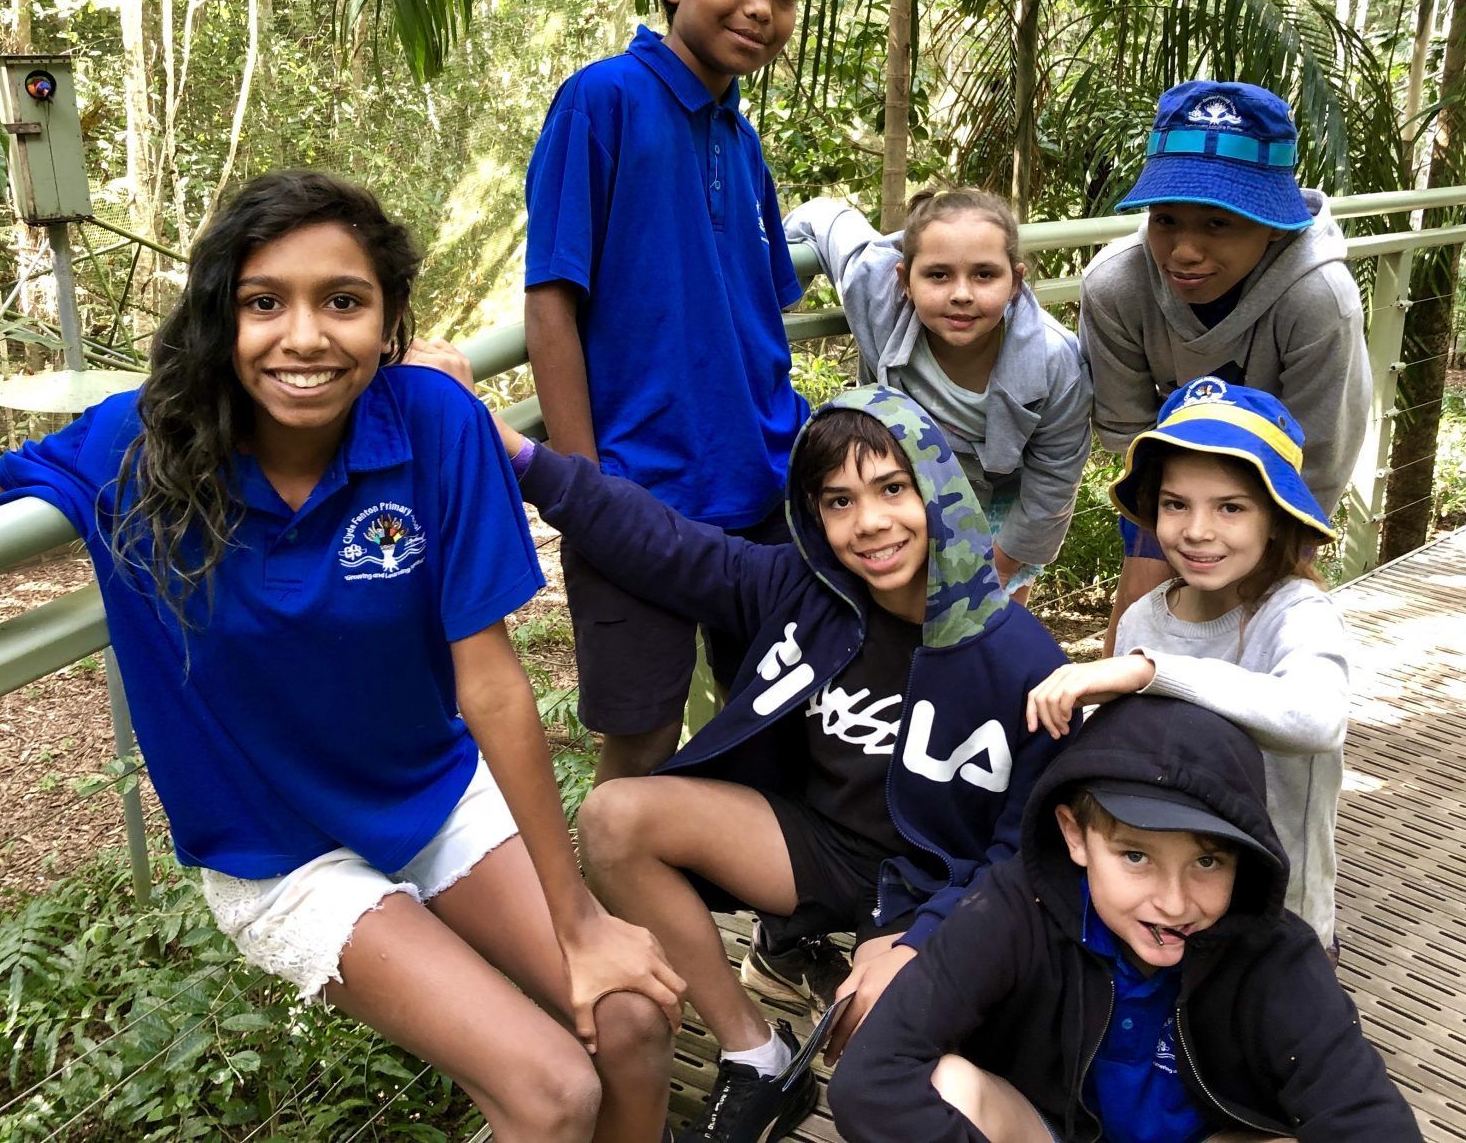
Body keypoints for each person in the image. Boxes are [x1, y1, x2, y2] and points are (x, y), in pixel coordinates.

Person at [0, 173, 682, 1143]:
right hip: (277, 850)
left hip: (424, 790)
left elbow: (493, 682)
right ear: (222, 317)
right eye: (264, 303)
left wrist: (581, 922)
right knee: (553, 1091)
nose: (304, 337)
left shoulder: (434, 424)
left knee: (633, 1020)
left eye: (343, 301)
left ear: (387, 321)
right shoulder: (143, 445)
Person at [411, 360, 1071, 1143]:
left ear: (937, 489)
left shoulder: (1019, 658)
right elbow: (659, 542)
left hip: (933, 889)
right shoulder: (804, 588)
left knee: (880, 1043)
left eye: (893, 488)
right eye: (839, 501)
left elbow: (1025, 851)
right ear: (812, 514)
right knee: (616, 818)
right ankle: (755, 1052)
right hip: (821, 849)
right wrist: (519, 454)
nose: (870, 522)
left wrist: (920, 939)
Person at [827, 694, 1422, 1143]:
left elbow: (1366, 1114)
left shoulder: (1274, 953)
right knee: (946, 1087)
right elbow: (870, 1079)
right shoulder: (1015, 908)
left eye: (1208, 861)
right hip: (1048, 1129)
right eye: (1136, 856)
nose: (1173, 901)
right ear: (1075, 836)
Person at [522, 0, 813, 783]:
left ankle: (778, 920)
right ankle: (620, 924)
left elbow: (760, 303)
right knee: (641, 733)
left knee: (779, 713)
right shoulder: (604, 102)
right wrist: (585, 487)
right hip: (638, 491)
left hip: (761, 485)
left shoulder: (740, 134)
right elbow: (551, 304)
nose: (762, 6)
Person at [1023, 377, 1350, 950]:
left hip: (1278, 911)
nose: (1198, 531)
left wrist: (1151, 674)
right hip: (1169, 902)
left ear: (1275, 516)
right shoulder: (1146, 619)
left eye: (1230, 507)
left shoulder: (1296, 613)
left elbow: (1317, 718)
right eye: (1176, 504)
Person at [1079, 80, 1371, 654]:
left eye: (1218, 223)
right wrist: (1180, 522)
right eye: (1165, 220)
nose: (1184, 252)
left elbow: (1321, 456)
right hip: (1169, 477)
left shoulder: (1317, 299)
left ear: (1273, 222)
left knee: (1264, 628)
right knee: (1138, 622)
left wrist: (1260, 535)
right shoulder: (1116, 285)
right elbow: (1131, 438)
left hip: (1284, 486)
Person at [784, 189, 1092, 605]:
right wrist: (778, 283)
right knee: (901, 614)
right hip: (902, 484)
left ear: (1015, 282)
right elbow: (825, 216)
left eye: (984, 275)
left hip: (1002, 492)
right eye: (938, 275)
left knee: (992, 625)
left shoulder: (1054, 360)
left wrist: (998, 571)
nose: (961, 293)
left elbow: (1055, 476)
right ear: (904, 280)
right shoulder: (874, 288)